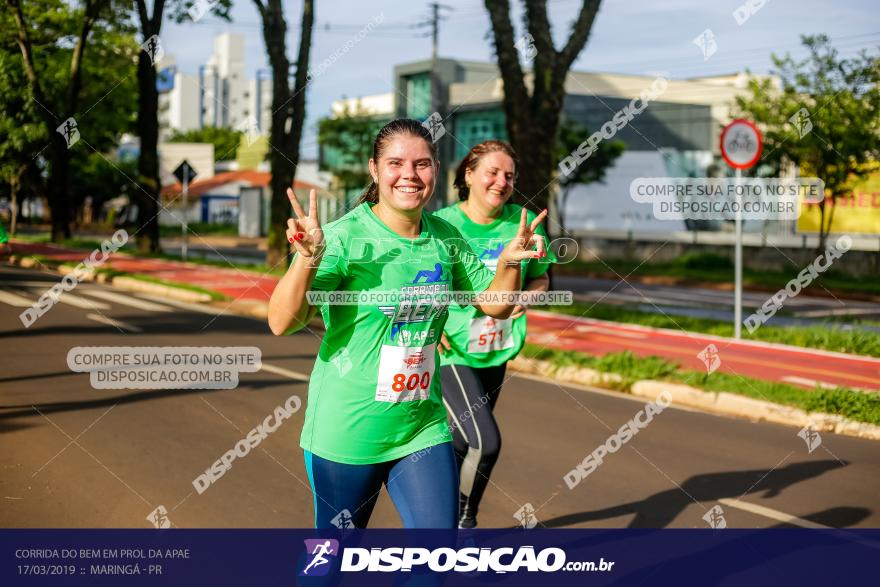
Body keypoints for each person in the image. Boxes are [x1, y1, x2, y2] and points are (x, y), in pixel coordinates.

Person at [267, 119, 547, 529]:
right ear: (375, 170)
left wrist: (506, 263)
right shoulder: (343, 238)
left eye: (422, 164)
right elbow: (281, 323)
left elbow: (494, 306)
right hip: (350, 429)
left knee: (436, 558)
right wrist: (307, 259)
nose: (410, 175)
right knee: (330, 561)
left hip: (422, 425)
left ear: (435, 169)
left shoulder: (445, 237)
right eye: (396, 163)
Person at [434, 139, 555, 528]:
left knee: (459, 443)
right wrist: (427, 326)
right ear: (468, 175)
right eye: (492, 172)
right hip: (450, 349)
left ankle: (435, 522)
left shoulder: (523, 222)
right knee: (485, 441)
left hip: (496, 349)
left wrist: (529, 296)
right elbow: (419, 281)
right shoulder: (443, 225)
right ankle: (463, 521)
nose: (501, 181)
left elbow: (542, 279)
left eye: (509, 175)